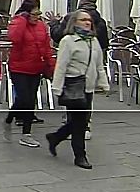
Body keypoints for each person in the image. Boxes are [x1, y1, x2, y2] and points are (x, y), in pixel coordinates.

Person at [45, 10, 109, 169]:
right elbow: (61, 66)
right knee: (81, 122)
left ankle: (55, 137)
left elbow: (99, 65)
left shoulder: (93, 41)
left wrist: (104, 83)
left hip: (88, 87)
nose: (87, 22)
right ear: (75, 22)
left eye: (89, 20)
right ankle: (80, 155)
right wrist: (57, 88)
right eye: (83, 20)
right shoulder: (68, 41)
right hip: (73, 86)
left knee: (77, 121)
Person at [4, 0, 54, 148]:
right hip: (18, 67)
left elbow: (46, 47)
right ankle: (9, 119)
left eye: (39, 13)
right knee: (24, 97)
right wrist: (22, 21)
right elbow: (14, 38)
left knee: (30, 99)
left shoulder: (41, 26)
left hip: (36, 67)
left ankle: (26, 134)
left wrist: (50, 65)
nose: (37, 16)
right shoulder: (18, 23)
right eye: (34, 13)